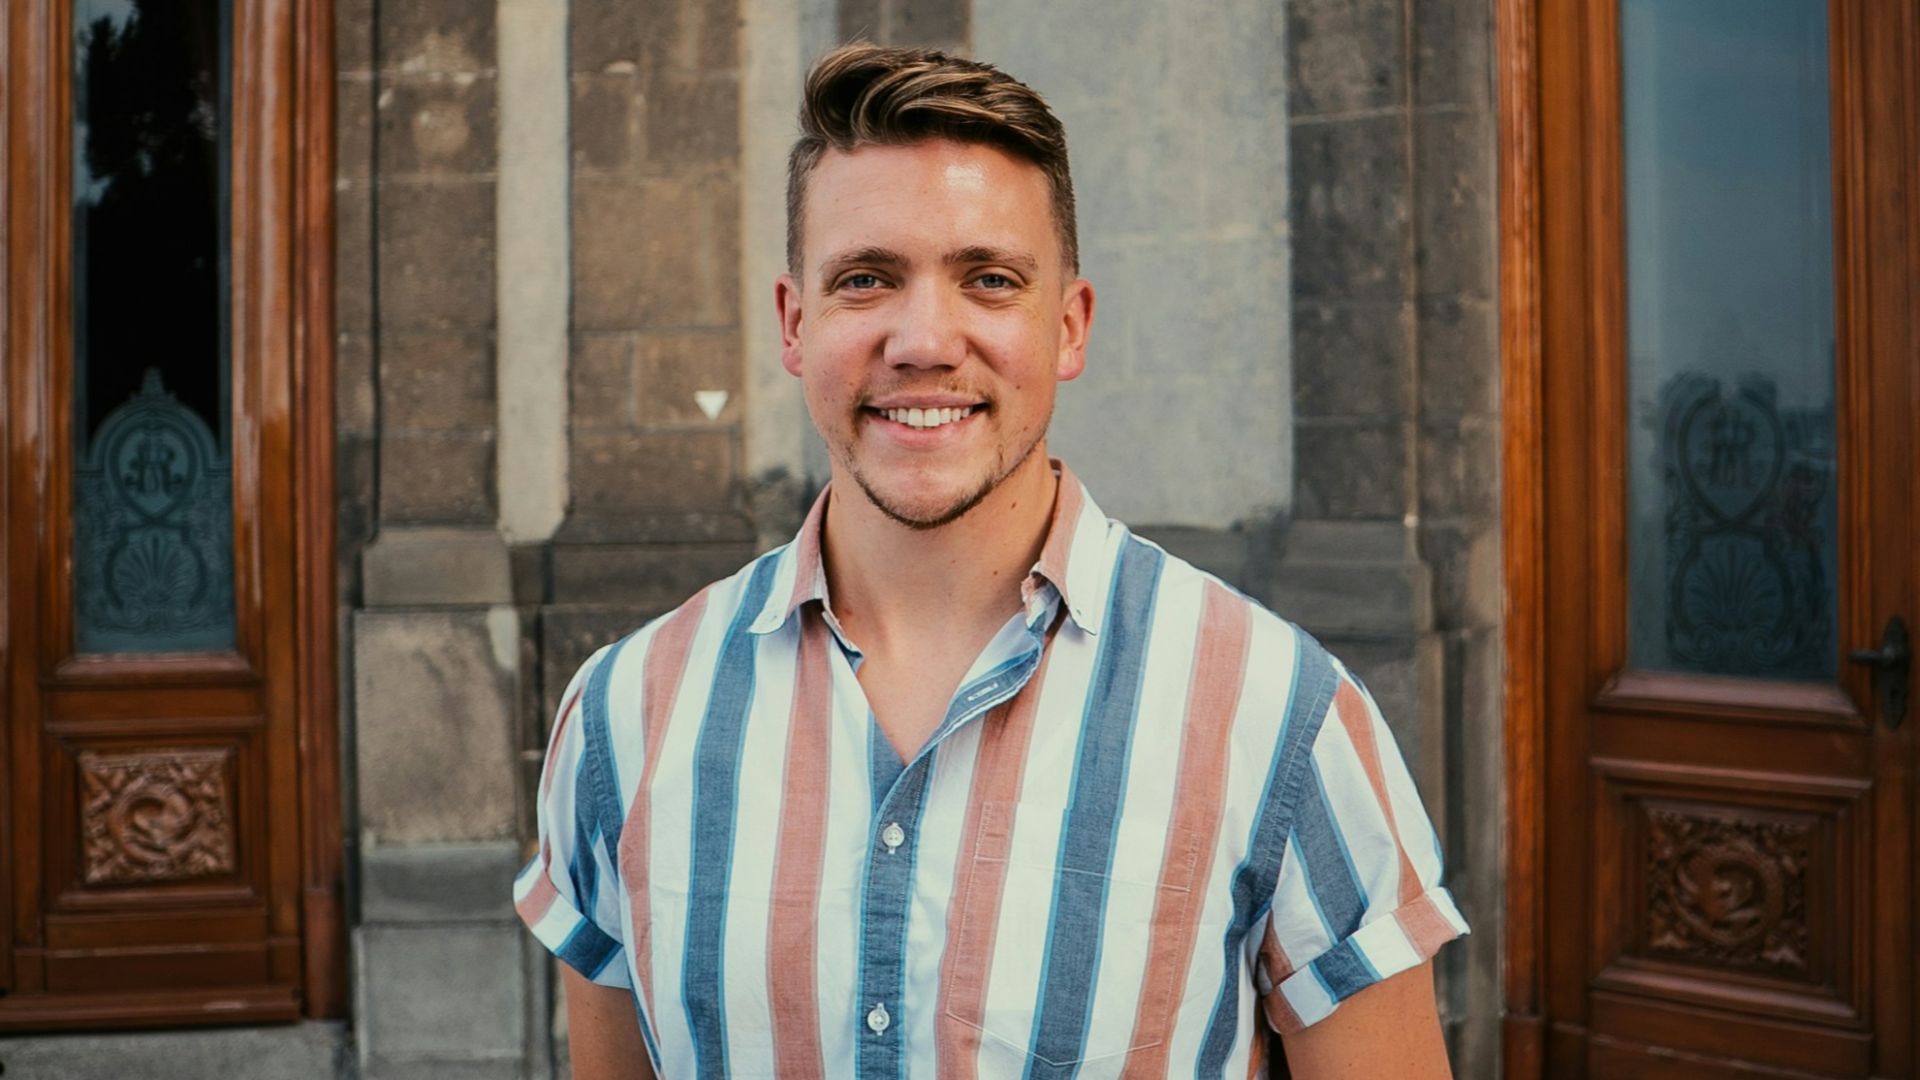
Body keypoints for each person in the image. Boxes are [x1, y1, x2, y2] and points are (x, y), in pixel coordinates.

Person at [515, 43, 1467, 1079]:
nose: (925, 340)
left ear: (1069, 327)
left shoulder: (1281, 717)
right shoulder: (625, 713)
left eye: (990, 280)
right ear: (795, 323)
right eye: (866, 279)